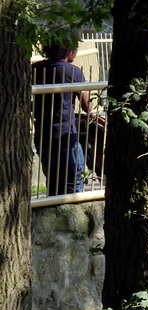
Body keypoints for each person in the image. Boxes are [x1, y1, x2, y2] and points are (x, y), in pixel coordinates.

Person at [32, 37, 91, 195]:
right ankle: (71, 214)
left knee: (53, 179)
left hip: (43, 135)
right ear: (69, 50)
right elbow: (87, 106)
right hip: (66, 134)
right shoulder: (73, 71)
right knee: (74, 177)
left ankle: (54, 210)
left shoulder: (35, 69)